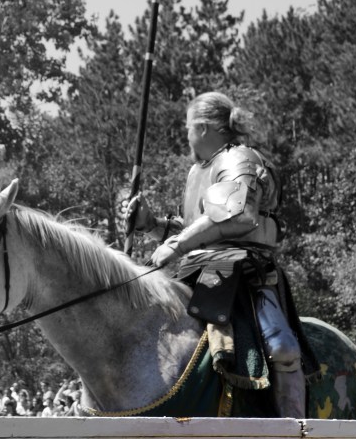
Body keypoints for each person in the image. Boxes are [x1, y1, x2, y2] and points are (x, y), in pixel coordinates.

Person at [127, 90, 307, 418]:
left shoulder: (239, 159)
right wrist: (150, 225)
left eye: (187, 128)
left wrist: (178, 244)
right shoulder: (198, 172)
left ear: (204, 128)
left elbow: (238, 216)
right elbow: (199, 227)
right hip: (198, 268)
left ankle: (294, 431)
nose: (186, 136)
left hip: (244, 269)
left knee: (281, 348)